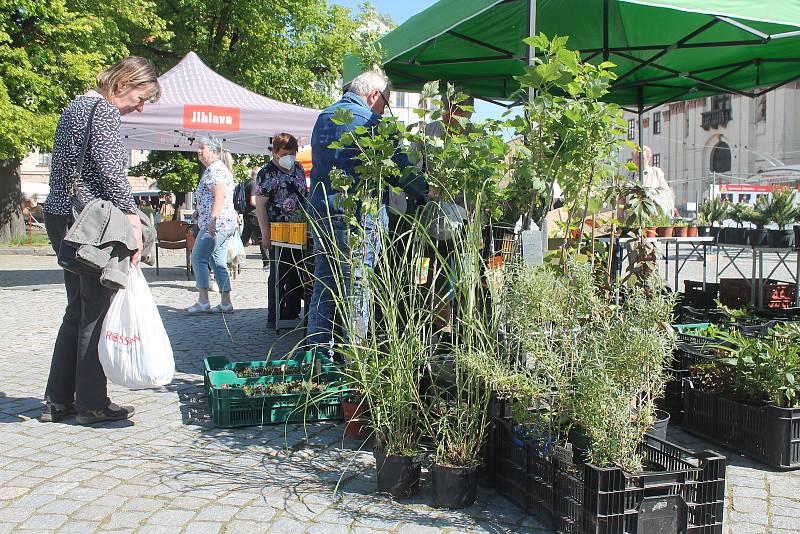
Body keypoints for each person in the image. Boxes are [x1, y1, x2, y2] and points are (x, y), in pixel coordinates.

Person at [41, 56, 161, 425]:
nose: (140, 107)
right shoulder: (103, 110)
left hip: (62, 216)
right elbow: (111, 170)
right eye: (142, 97)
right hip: (89, 222)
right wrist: (131, 218)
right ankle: (91, 403)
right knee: (95, 309)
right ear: (123, 83)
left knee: (76, 309)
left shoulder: (76, 105)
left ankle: (58, 400)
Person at [306, 68, 427, 354]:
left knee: (324, 287)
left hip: (323, 213)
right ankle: (354, 365)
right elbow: (400, 169)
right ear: (373, 95)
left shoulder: (323, 116)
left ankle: (318, 359)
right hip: (358, 219)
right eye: (385, 101)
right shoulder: (371, 121)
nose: (386, 109)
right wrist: (425, 191)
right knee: (357, 291)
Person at [254, 133, 307, 327]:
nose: (290, 156)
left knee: (297, 273)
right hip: (277, 230)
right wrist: (265, 234)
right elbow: (260, 206)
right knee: (279, 274)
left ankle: (291, 314)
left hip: (299, 230)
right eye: (286, 153)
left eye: (293, 153)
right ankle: (274, 315)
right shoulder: (266, 172)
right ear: (276, 152)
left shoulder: (299, 168)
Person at [186, 136, 238, 314]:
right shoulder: (215, 169)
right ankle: (226, 302)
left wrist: (212, 219)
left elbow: (220, 195)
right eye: (198, 148)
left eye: (203, 148)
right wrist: (199, 210)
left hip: (216, 223)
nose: (199, 151)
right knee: (217, 261)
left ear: (214, 151)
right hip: (223, 222)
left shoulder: (215, 170)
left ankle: (203, 300)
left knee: (198, 257)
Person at [636, 146, 676, 217]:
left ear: (648, 158)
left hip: (654, 214)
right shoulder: (630, 175)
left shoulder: (655, 172)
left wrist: (651, 194)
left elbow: (666, 192)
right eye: (636, 158)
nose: (638, 161)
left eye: (641, 158)